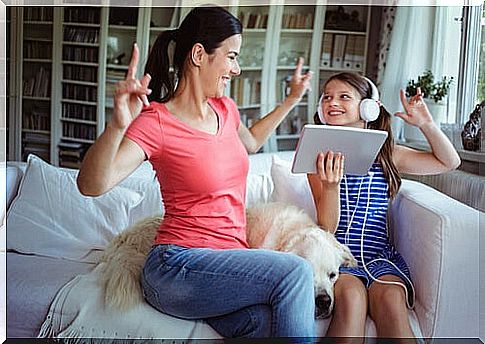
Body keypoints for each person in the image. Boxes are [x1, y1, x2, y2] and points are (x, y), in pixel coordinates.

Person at [77, 5, 316, 340]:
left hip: (224, 264)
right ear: (200, 55)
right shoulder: (157, 121)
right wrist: (118, 125)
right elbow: (92, 185)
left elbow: (252, 142)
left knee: (263, 323)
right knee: (296, 273)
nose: (236, 68)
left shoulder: (225, 109)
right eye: (232, 56)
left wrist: (291, 100)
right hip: (176, 268)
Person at [308, 72, 460, 343]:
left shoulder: (388, 153)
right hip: (339, 261)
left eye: (344, 96)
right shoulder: (318, 158)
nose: (333, 102)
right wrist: (331, 186)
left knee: (391, 299)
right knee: (352, 299)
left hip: (380, 259)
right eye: (327, 97)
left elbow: (449, 162)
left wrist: (426, 123)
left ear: (368, 107)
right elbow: (326, 227)